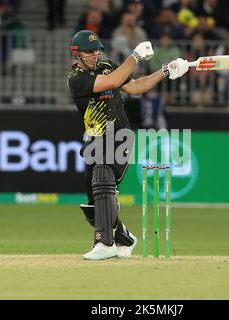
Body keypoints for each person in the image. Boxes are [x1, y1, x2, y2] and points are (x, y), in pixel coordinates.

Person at [67, 30, 189, 260]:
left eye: (97, 50)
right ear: (77, 54)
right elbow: (111, 82)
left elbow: (136, 87)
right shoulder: (76, 79)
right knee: (94, 205)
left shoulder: (107, 65)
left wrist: (165, 71)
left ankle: (105, 242)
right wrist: (134, 56)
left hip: (119, 135)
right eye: (89, 51)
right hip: (95, 139)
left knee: (103, 175)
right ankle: (124, 238)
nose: (95, 55)